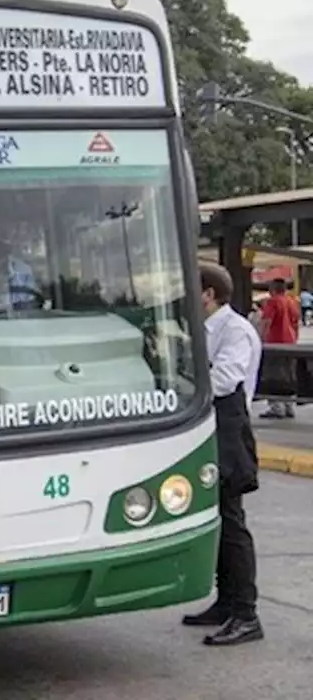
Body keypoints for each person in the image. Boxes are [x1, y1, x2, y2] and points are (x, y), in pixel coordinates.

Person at [183, 263, 263, 646]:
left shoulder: (236, 332)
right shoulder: (202, 330)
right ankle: (226, 601)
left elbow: (224, 380)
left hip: (229, 433)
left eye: (190, 289)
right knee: (214, 516)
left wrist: (183, 389)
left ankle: (246, 614)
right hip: (208, 430)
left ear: (208, 294)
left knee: (232, 524)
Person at [259, 278, 300, 419]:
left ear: (272, 289)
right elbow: (296, 323)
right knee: (288, 376)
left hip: (275, 342)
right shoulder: (292, 301)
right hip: (290, 342)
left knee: (273, 376)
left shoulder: (273, 301)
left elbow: (266, 322)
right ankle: (289, 406)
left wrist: (260, 339)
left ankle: (277, 407)